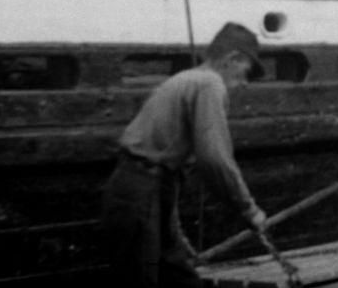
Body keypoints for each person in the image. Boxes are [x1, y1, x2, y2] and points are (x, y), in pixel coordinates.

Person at [101, 22, 269, 288]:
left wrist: (175, 234)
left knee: (179, 276)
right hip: (143, 192)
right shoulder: (209, 83)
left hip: (140, 189)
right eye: (246, 72)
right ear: (233, 58)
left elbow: (160, 169)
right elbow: (215, 159)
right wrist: (248, 210)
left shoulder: (186, 79)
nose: (244, 83)